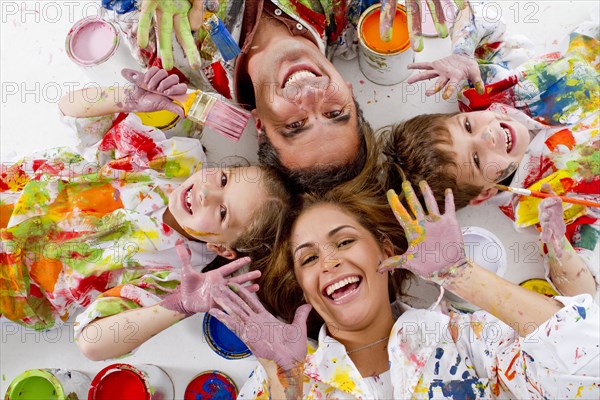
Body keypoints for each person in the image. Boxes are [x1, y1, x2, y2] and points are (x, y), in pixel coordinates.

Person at [208, 179, 599, 399]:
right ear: (305, 290)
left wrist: (460, 273)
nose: (329, 262)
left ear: (386, 251)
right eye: (309, 259)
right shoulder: (278, 379)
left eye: (344, 242)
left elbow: (588, 372)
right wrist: (286, 381)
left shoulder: (467, 339)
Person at [0, 67, 289, 354]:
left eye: (223, 212)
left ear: (223, 249)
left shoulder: (177, 278)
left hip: (16, 282)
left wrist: (181, 306)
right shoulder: (177, 159)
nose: (206, 193)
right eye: (223, 180)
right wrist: (127, 98)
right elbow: (68, 107)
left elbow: (92, 344)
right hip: (15, 190)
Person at [100, 0, 478, 192]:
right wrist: (463, 50)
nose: (311, 97)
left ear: (261, 126)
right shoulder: (353, 14)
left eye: (295, 125)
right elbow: (461, 12)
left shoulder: (173, 54)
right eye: (335, 112)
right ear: (348, 90)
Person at [381, 12, 599, 298]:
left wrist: (460, 53)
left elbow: (478, 16)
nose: (486, 136)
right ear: (484, 193)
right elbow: (583, 291)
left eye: (468, 125)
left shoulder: (486, 88)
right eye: (475, 159)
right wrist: (560, 244)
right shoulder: (538, 205)